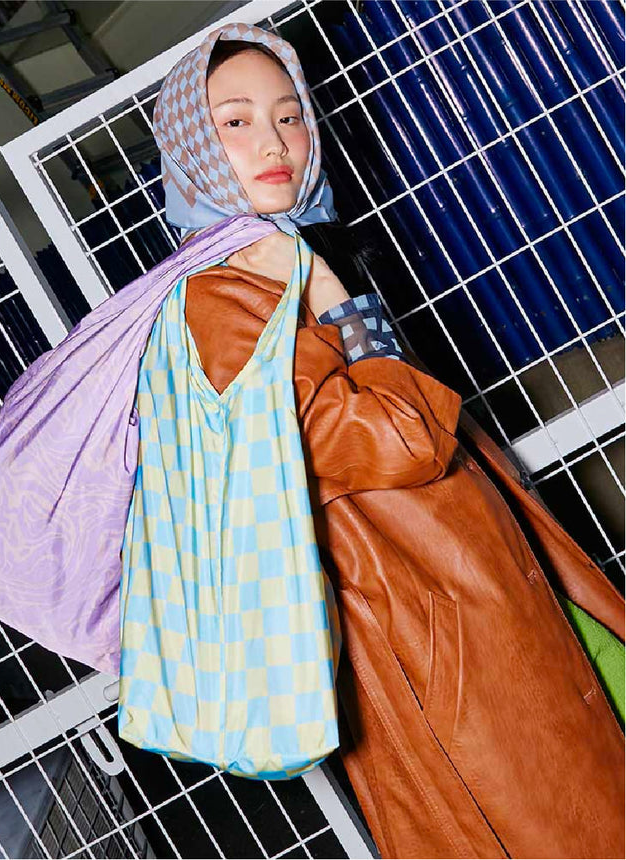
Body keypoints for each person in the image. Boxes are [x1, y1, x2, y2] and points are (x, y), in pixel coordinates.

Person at [127, 24, 625, 859]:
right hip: (428, 634)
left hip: (479, 596)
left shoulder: (277, 266)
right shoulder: (219, 302)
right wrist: (338, 297)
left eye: (289, 116)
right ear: (188, 149)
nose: (274, 142)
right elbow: (397, 439)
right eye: (235, 122)